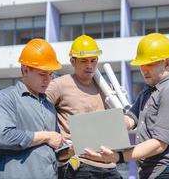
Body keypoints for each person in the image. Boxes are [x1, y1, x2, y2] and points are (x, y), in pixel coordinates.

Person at [83, 33, 169, 179]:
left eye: (150, 64)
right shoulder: (148, 91)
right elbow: (129, 120)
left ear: (167, 62)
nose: (143, 69)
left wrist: (118, 157)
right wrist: (91, 131)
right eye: (142, 64)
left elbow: (159, 143)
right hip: (152, 172)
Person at [46, 35, 128, 179]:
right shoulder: (59, 85)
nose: (89, 65)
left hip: (108, 164)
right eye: (84, 61)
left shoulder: (105, 88)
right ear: (73, 61)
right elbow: (36, 109)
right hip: (79, 164)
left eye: (93, 60)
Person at [0, 38, 64, 179]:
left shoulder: (48, 104)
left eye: (50, 74)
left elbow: (54, 142)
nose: (47, 80)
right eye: (42, 74)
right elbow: (3, 136)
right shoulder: (6, 98)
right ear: (25, 70)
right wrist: (44, 136)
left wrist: (65, 147)